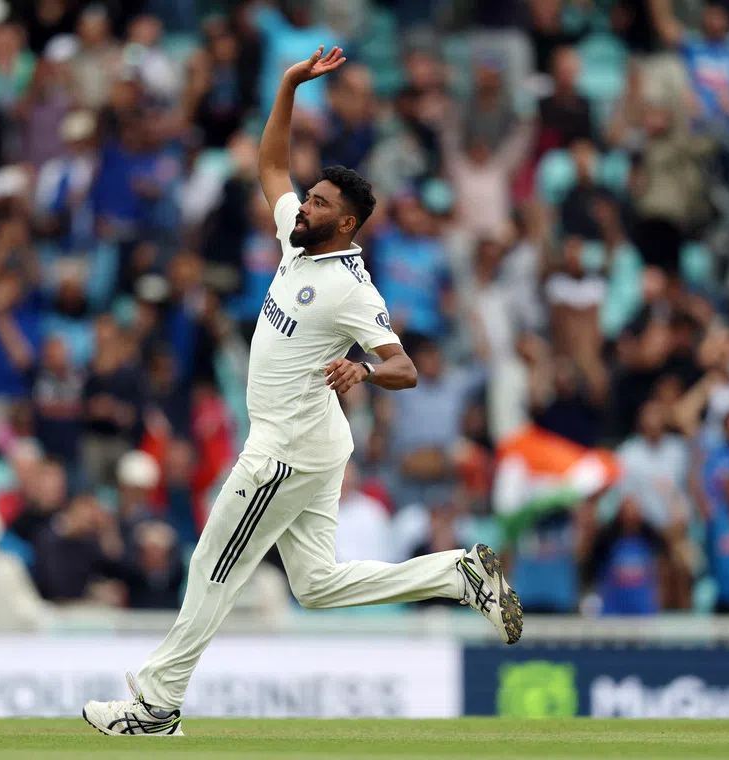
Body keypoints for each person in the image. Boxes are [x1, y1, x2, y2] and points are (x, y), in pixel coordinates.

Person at [82, 46, 523, 738]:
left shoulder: (350, 286)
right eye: (309, 196)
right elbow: (269, 163)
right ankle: (457, 575)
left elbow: (404, 365)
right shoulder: (297, 244)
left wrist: (365, 372)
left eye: (317, 202)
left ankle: (156, 702)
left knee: (211, 564)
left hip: (285, 449)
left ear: (343, 224)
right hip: (311, 439)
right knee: (315, 585)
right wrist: (287, 85)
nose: (303, 201)